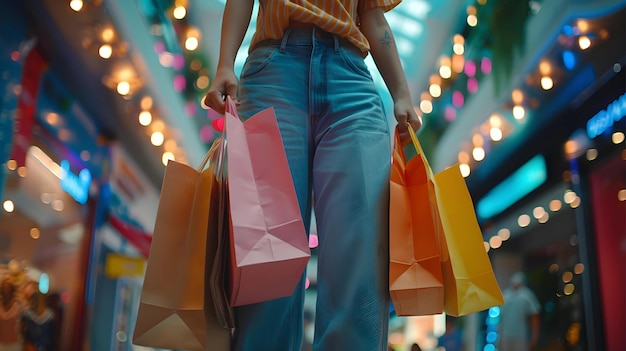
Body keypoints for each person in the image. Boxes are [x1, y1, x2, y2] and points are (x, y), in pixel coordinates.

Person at [204, 0, 421, 349]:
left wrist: (401, 92)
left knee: (361, 252)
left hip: (350, 77)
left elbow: (370, 12)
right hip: (274, 69)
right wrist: (225, 63)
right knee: (266, 254)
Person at [498, 272, 541, 351]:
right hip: (516, 337)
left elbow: (534, 316)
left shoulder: (505, 296)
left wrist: (534, 337)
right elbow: (535, 316)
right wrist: (534, 337)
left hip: (511, 336)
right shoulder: (526, 295)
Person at [0, 279, 26, 351]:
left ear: (12, 289)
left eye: (8, 287)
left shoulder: (18, 304)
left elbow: (25, 323)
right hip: (1, 343)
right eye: (4, 287)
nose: (6, 289)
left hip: (15, 343)